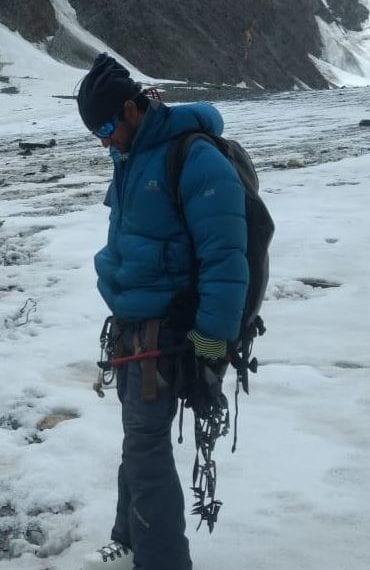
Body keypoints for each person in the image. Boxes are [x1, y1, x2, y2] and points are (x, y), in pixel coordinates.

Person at [77, 54, 249, 570]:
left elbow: (226, 258)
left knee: (145, 445)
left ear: (131, 110)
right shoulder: (130, 155)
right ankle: (129, 538)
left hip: (171, 333)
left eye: (106, 129)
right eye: (95, 134)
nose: (104, 142)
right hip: (133, 328)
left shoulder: (194, 158)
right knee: (139, 440)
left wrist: (212, 341)